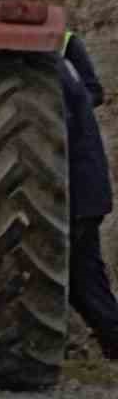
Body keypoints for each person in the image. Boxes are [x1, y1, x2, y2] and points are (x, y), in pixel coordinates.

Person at [62, 31, 118, 358]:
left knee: (83, 276)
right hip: (80, 187)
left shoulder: (65, 50)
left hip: (78, 188)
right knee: (84, 275)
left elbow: (94, 93)